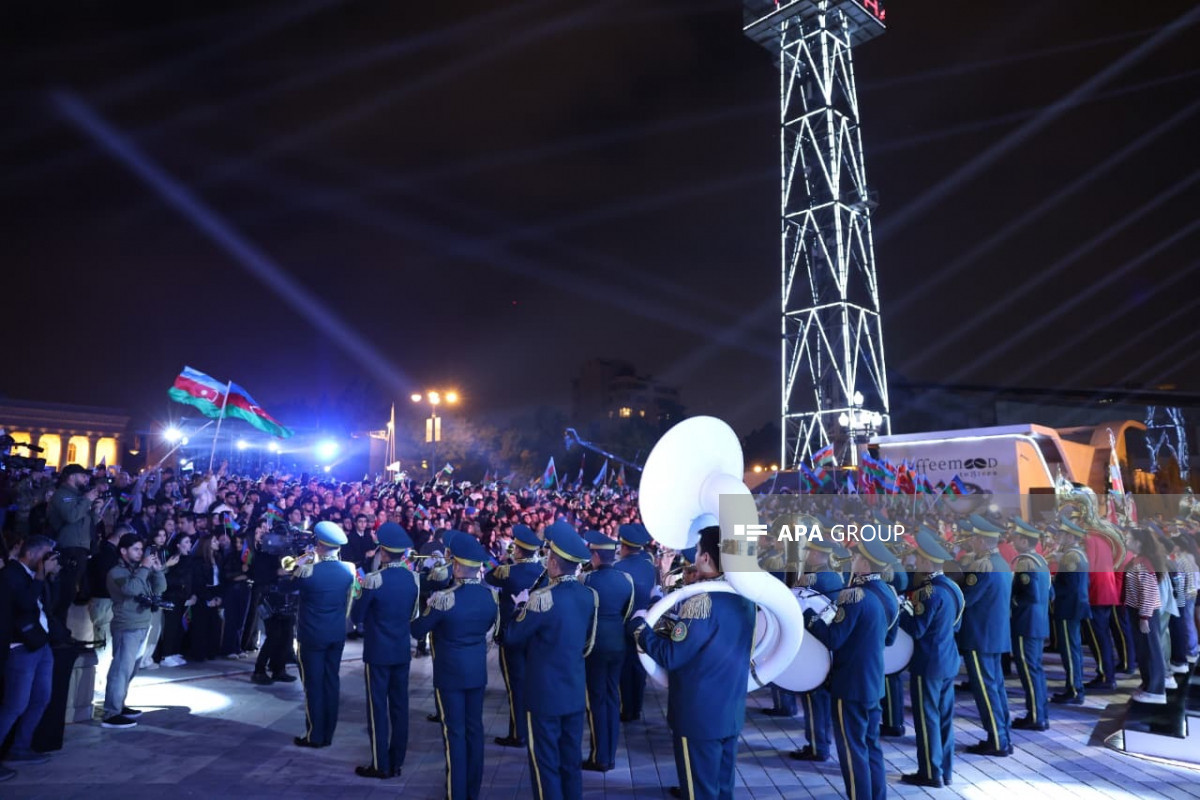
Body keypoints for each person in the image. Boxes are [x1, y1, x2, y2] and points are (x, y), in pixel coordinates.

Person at [627, 525, 755, 800]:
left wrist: (639, 630)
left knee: (699, 791)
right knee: (722, 789)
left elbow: (671, 655)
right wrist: (664, 577)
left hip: (699, 715)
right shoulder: (744, 597)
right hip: (728, 711)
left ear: (707, 558)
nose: (694, 556)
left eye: (697, 551)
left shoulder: (702, 603)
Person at [507, 521, 598, 800]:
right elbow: (587, 645)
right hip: (573, 690)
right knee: (570, 762)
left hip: (544, 694)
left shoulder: (540, 599)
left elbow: (512, 636)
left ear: (554, 562)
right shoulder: (589, 595)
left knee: (545, 763)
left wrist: (520, 605)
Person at [807, 536, 898, 800]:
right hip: (872, 681)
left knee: (852, 749)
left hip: (850, 684)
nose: (853, 560)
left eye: (857, 557)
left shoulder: (854, 596)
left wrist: (811, 619)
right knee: (871, 745)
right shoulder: (887, 594)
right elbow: (889, 639)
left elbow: (834, 639)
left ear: (866, 565)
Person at [410, 532, 498, 800]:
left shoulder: (443, 598)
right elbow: (488, 627)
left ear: (458, 566)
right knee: (475, 730)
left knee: (455, 734)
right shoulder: (489, 597)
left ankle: (456, 793)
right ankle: (473, 790)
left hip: (449, 673)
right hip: (476, 671)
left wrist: (422, 607)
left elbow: (418, 630)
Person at [899, 527, 965, 788]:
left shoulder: (928, 592)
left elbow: (917, 628)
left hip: (928, 662)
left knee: (927, 720)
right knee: (945, 718)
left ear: (926, 561)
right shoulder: (951, 587)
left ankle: (930, 772)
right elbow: (956, 625)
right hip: (948, 659)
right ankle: (945, 770)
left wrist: (902, 611)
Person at [355, 522, 420, 780]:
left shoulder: (374, 580)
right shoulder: (411, 578)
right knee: (400, 707)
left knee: (377, 708)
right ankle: (396, 761)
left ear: (382, 551)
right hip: (401, 649)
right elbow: (412, 613)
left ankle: (380, 763)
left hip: (378, 650)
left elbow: (357, 615)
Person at [0, 536, 60, 781]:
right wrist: (39, 577)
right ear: (34, 554)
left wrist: (49, 578)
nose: (49, 560)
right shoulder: (11, 574)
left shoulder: (35, 575)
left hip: (41, 644)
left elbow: (49, 606)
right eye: (47, 555)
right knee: (14, 706)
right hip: (20, 646)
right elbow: (24, 604)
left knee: (41, 698)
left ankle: (20, 748)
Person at [293, 520, 355, 749]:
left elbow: (286, 586)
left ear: (319, 544)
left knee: (313, 685)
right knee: (331, 683)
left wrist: (301, 562)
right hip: (336, 634)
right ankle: (328, 732)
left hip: (312, 636)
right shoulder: (348, 571)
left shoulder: (308, 572)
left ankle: (315, 734)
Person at [789, 529, 848, 764]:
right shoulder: (836, 576)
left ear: (817, 554)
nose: (807, 555)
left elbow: (800, 605)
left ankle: (817, 746)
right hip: (829, 643)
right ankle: (820, 743)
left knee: (813, 697)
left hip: (816, 642)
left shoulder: (813, 578)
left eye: (810, 552)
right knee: (820, 697)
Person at [956, 514, 1013, 757]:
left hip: (980, 636)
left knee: (986, 690)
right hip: (993, 634)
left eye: (973, 539)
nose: (971, 543)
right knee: (995, 687)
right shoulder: (999, 562)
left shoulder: (982, 566)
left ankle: (997, 740)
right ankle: (1002, 735)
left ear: (981, 540)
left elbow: (966, 599)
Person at [484, 522, 545, 748]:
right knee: (532, 683)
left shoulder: (508, 570)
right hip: (535, 635)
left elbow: (489, 576)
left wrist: (503, 559)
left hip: (511, 634)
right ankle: (530, 728)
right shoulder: (543, 571)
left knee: (515, 686)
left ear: (518, 550)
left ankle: (518, 732)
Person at [102, 532, 167, 729]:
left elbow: (160, 588)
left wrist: (156, 570)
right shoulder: (116, 572)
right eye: (135, 549)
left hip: (142, 624)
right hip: (127, 626)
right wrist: (145, 568)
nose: (140, 553)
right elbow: (130, 590)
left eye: (141, 549)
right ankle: (111, 713)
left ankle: (120, 705)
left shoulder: (140, 570)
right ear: (123, 551)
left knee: (130, 670)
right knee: (120, 670)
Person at [580, 529, 633, 772]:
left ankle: (600, 756)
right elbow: (627, 612)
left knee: (597, 700)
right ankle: (609, 753)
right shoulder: (626, 579)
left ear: (596, 556)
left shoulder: (588, 580)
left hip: (596, 644)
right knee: (612, 698)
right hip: (619, 643)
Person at [1009, 518, 1052, 731]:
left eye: (1016, 537)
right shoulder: (1040, 560)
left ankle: (1036, 716)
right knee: (1035, 669)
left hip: (1026, 623)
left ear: (1024, 541)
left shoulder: (1026, 562)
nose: (1012, 540)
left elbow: (1030, 595)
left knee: (1029, 671)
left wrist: (1012, 603)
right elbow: (1048, 593)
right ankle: (1039, 712)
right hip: (1038, 622)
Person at [613, 523, 656, 722]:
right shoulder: (650, 566)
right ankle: (636, 708)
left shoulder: (619, 568)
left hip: (622, 624)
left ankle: (626, 708)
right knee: (638, 667)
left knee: (624, 668)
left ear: (624, 546)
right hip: (643, 621)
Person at [47, 464, 99, 628]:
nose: (86, 479)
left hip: (81, 547)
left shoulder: (79, 496)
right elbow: (71, 516)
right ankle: (57, 631)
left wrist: (96, 510)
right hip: (69, 548)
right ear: (71, 476)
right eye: (83, 476)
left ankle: (62, 631)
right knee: (65, 593)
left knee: (70, 593)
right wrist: (86, 500)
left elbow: (89, 522)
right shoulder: (62, 495)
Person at [1124, 527, 1167, 704]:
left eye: (1128, 538)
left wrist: (1144, 617)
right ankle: (1148, 683)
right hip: (1138, 610)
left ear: (1138, 542)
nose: (1126, 541)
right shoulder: (1137, 561)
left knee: (1151, 650)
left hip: (1145, 612)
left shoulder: (1143, 564)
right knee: (1143, 650)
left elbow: (1149, 592)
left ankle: (1156, 689)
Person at [1051, 519, 1091, 705]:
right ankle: (1074, 686)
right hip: (1074, 606)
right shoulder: (1076, 554)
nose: (1058, 537)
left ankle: (1075, 690)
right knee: (1072, 649)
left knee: (1070, 650)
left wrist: (1050, 588)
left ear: (1069, 536)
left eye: (1061, 534)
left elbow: (1071, 586)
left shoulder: (1070, 556)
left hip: (1069, 607)